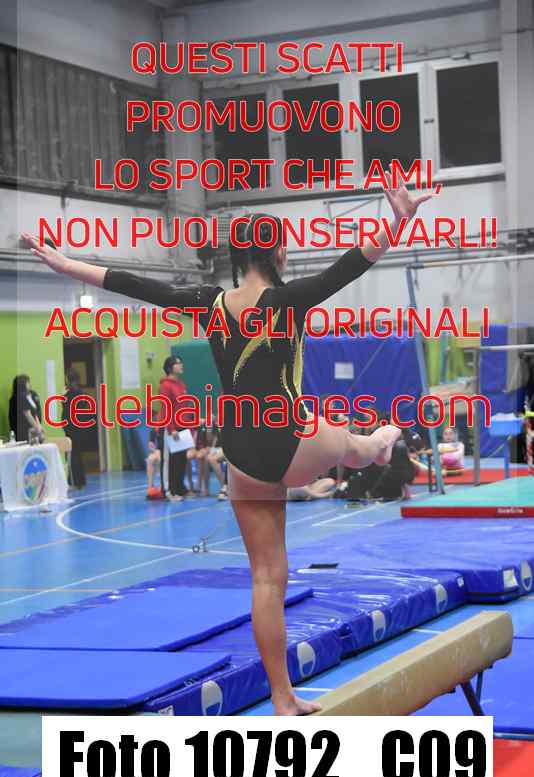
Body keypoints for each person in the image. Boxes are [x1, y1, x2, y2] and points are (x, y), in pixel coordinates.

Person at [22, 169, 432, 715]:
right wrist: (400, 217)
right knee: (354, 447)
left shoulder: (207, 302)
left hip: (242, 453)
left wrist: (65, 264)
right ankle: (380, 443)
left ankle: (282, 698)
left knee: (266, 578)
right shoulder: (288, 299)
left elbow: (133, 284)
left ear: (237, 257)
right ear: (278, 254)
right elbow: (355, 260)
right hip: (293, 436)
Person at [157, 355, 191, 502]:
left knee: (181, 460)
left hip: (183, 427)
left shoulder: (181, 384)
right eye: (178, 363)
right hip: (170, 428)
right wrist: (171, 429)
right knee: (169, 461)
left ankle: (179, 488)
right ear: (170, 367)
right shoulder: (165, 385)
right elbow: (166, 408)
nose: (181, 365)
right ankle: (168, 491)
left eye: (181, 362)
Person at [62, 367, 88, 489]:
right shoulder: (82, 393)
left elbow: (66, 409)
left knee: (72, 455)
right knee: (78, 453)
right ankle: (80, 480)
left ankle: (74, 482)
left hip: (72, 427)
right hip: (80, 427)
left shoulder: (69, 394)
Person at [8, 375, 45, 444]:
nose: (29, 384)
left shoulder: (31, 395)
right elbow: (28, 415)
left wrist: (39, 426)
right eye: (28, 382)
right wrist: (38, 429)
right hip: (24, 432)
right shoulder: (20, 396)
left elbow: (35, 413)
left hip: (33, 429)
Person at [146, 427, 164, 499]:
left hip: (170, 450)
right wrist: (155, 451)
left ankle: (163, 487)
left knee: (161, 458)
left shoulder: (170, 427)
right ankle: (150, 487)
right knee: (150, 459)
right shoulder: (155, 428)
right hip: (159, 451)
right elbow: (151, 444)